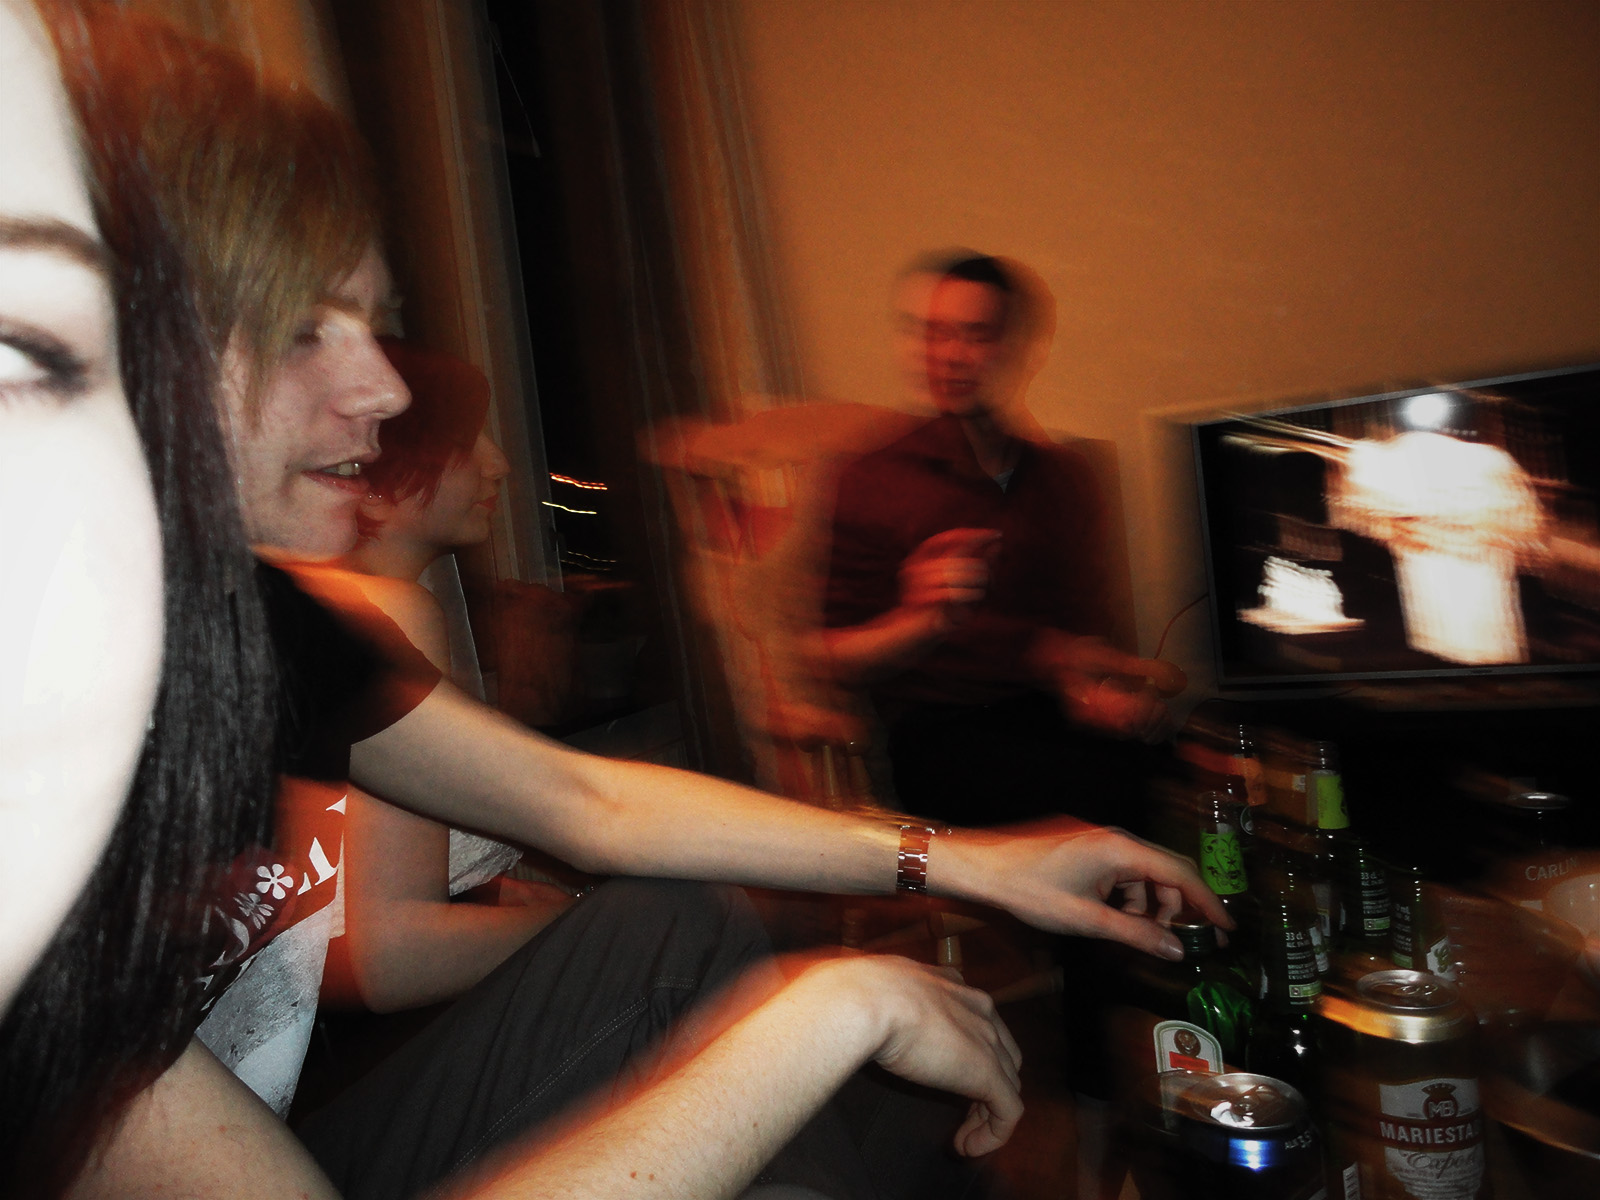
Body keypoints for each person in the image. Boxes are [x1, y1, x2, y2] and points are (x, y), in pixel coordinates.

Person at [59, 12, 1230, 1199]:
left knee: (695, 941)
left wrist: (978, 865)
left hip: (309, 1113)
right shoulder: (37, 762)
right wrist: (834, 1009)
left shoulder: (240, 617)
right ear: (116, 339)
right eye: (308, 326)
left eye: (373, 321)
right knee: (799, 1076)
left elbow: (586, 802)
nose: (385, 387)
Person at [814, 252, 1176, 829]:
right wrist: (920, 619)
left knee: (1202, 772)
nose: (951, 355)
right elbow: (828, 657)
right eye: (936, 334)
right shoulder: (872, 477)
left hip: (1055, 715)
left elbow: (1084, 633)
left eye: (976, 335)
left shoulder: (1064, 477)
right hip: (946, 732)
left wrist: (1103, 689)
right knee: (1102, 801)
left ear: (1018, 350)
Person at [332, 339, 569, 1014]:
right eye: (467, 443)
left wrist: (493, 892)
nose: (498, 463)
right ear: (384, 472)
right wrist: (582, 926)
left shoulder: (350, 605)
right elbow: (390, 954)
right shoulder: (390, 612)